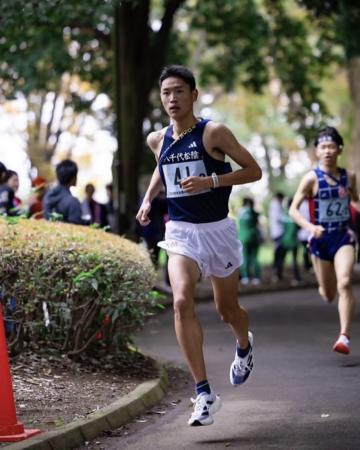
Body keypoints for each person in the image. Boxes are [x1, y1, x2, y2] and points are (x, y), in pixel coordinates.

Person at [136, 65, 262, 426]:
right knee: (180, 300)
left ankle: (243, 345)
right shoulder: (156, 139)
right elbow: (163, 168)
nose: (172, 99)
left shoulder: (214, 133)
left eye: (179, 91)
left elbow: (254, 171)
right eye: (166, 93)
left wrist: (210, 181)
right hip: (181, 232)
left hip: (217, 231)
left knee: (228, 310)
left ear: (194, 94)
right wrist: (148, 200)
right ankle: (204, 393)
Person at [289, 126, 359, 355]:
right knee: (329, 294)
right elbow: (293, 210)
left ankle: (344, 337)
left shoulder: (349, 177)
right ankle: (323, 285)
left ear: (339, 149)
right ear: (317, 151)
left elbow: (355, 201)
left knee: (345, 283)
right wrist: (310, 227)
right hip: (320, 240)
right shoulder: (311, 179)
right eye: (323, 147)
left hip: (342, 236)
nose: (327, 151)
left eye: (331, 146)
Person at [44, 159, 83, 225]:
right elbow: (77, 229)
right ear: (73, 177)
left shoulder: (47, 197)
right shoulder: (73, 202)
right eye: (76, 175)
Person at [237, 197, 262, 285]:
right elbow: (258, 222)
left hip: (243, 237)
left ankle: (245, 277)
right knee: (255, 257)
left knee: (245, 257)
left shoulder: (239, 212)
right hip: (254, 236)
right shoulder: (254, 212)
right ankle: (256, 277)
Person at [281, 198, 301, 284]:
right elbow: (299, 226)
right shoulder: (295, 214)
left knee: (281, 259)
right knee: (294, 260)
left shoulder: (284, 214)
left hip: (285, 240)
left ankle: (279, 275)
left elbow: (282, 227)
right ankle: (296, 278)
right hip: (294, 241)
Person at [269, 192, 285, 281]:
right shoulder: (276, 205)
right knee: (278, 255)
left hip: (276, 233)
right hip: (278, 233)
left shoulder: (274, 205)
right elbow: (279, 218)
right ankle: (277, 273)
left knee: (278, 254)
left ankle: (278, 273)